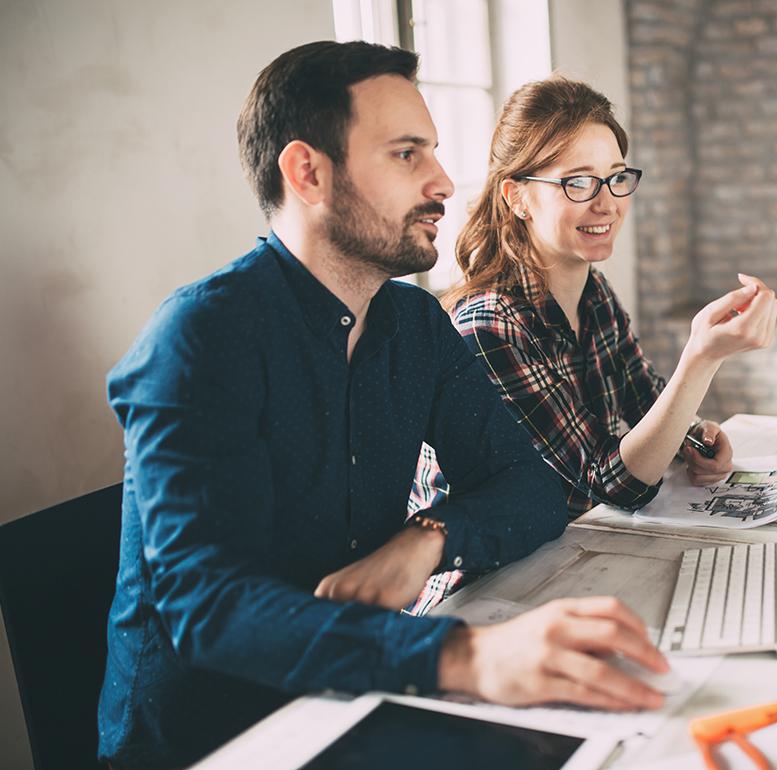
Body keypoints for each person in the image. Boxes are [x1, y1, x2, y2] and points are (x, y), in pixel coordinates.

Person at [99, 43, 668, 770]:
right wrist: (463, 655)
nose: (442, 181)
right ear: (308, 173)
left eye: (431, 151)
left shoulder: (413, 323)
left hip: (367, 692)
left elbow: (529, 487)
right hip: (221, 741)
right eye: (406, 155)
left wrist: (429, 536)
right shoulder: (201, 337)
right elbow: (213, 609)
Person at [411, 77, 777, 613]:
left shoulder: (592, 291)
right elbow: (615, 483)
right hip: (477, 595)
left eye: (615, 178)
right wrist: (702, 357)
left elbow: (646, 402)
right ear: (517, 196)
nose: (606, 203)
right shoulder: (489, 326)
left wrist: (694, 437)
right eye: (578, 183)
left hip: (567, 552)